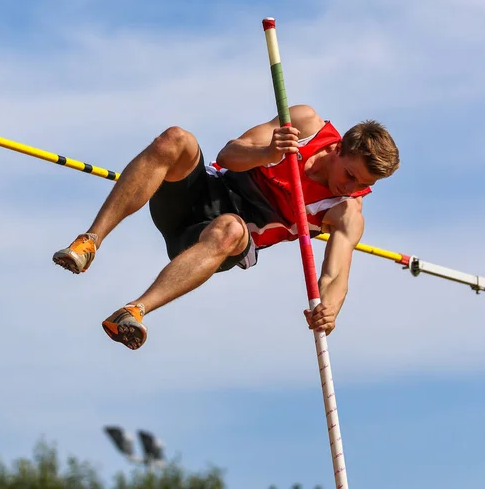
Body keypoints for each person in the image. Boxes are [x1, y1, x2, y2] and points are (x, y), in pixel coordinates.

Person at [53, 104, 399, 350]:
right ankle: (89, 241)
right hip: (199, 195)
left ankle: (133, 312)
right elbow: (230, 152)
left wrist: (330, 309)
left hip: (220, 240)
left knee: (230, 229)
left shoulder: (345, 210)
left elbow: (336, 275)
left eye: (362, 184)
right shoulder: (306, 125)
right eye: (350, 175)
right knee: (176, 138)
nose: (350, 188)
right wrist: (268, 152)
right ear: (338, 149)